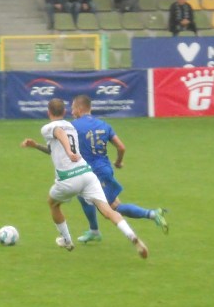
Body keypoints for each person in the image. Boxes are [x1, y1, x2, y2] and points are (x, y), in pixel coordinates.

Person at [21, 98, 148, 258]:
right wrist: (36, 146)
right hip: (87, 174)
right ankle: (132, 236)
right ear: (64, 112)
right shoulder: (71, 126)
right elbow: (55, 148)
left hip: (68, 179)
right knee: (108, 210)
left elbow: (59, 132)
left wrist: (69, 152)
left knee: (53, 203)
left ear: (48, 112)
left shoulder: (48, 127)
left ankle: (67, 240)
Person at [69, 94, 168, 244]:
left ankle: (153, 214)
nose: (71, 112)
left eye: (73, 108)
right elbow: (121, 147)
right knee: (83, 197)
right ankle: (94, 231)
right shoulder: (104, 125)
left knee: (114, 207)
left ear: (79, 108)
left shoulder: (74, 126)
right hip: (104, 170)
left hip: (95, 173)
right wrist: (118, 162)